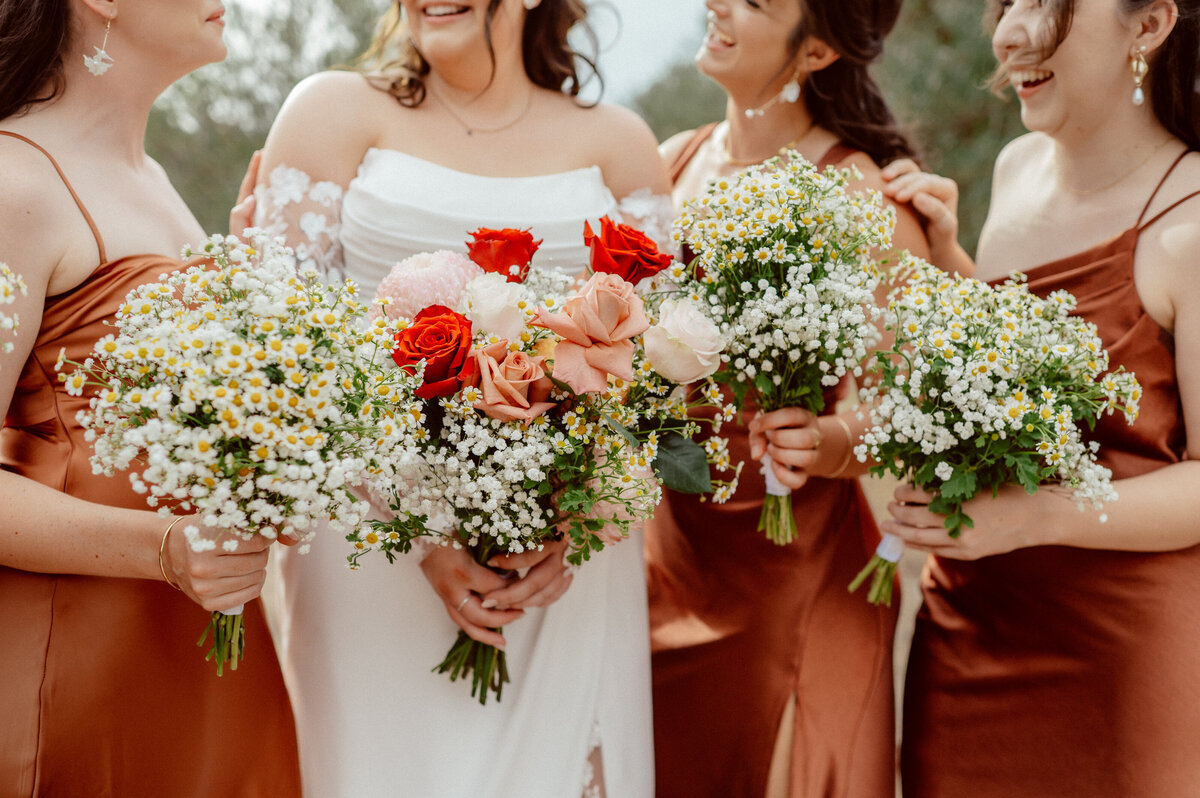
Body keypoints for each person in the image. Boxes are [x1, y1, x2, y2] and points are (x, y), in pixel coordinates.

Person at [252, 1, 671, 795]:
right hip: (369, 550)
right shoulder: (330, 111)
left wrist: (575, 525)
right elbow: (285, 360)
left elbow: (651, 377)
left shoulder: (619, 141)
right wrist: (423, 533)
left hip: (561, 566)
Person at [879, 0, 1200, 794]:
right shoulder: (1014, 169)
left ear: (1150, 25)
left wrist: (1038, 514)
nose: (1009, 33)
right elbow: (1017, 385)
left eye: (1047, 3)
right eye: (1007, 3)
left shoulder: (1191, 224)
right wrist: (949, 258)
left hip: (1123, 662)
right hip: (968, 632)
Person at [0, 0, 301, 795]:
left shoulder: (157, 180)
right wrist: (167, 550)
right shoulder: (13, 185)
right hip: (81, 667)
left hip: (200, 650)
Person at [643, 1, 936, 796]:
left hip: (795, 573)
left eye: (756, 2)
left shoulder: (859, 191)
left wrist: (830, 440)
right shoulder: (671, 160)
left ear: (813, 51)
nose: (718, 5)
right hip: (668, 564)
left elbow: (908, 401)